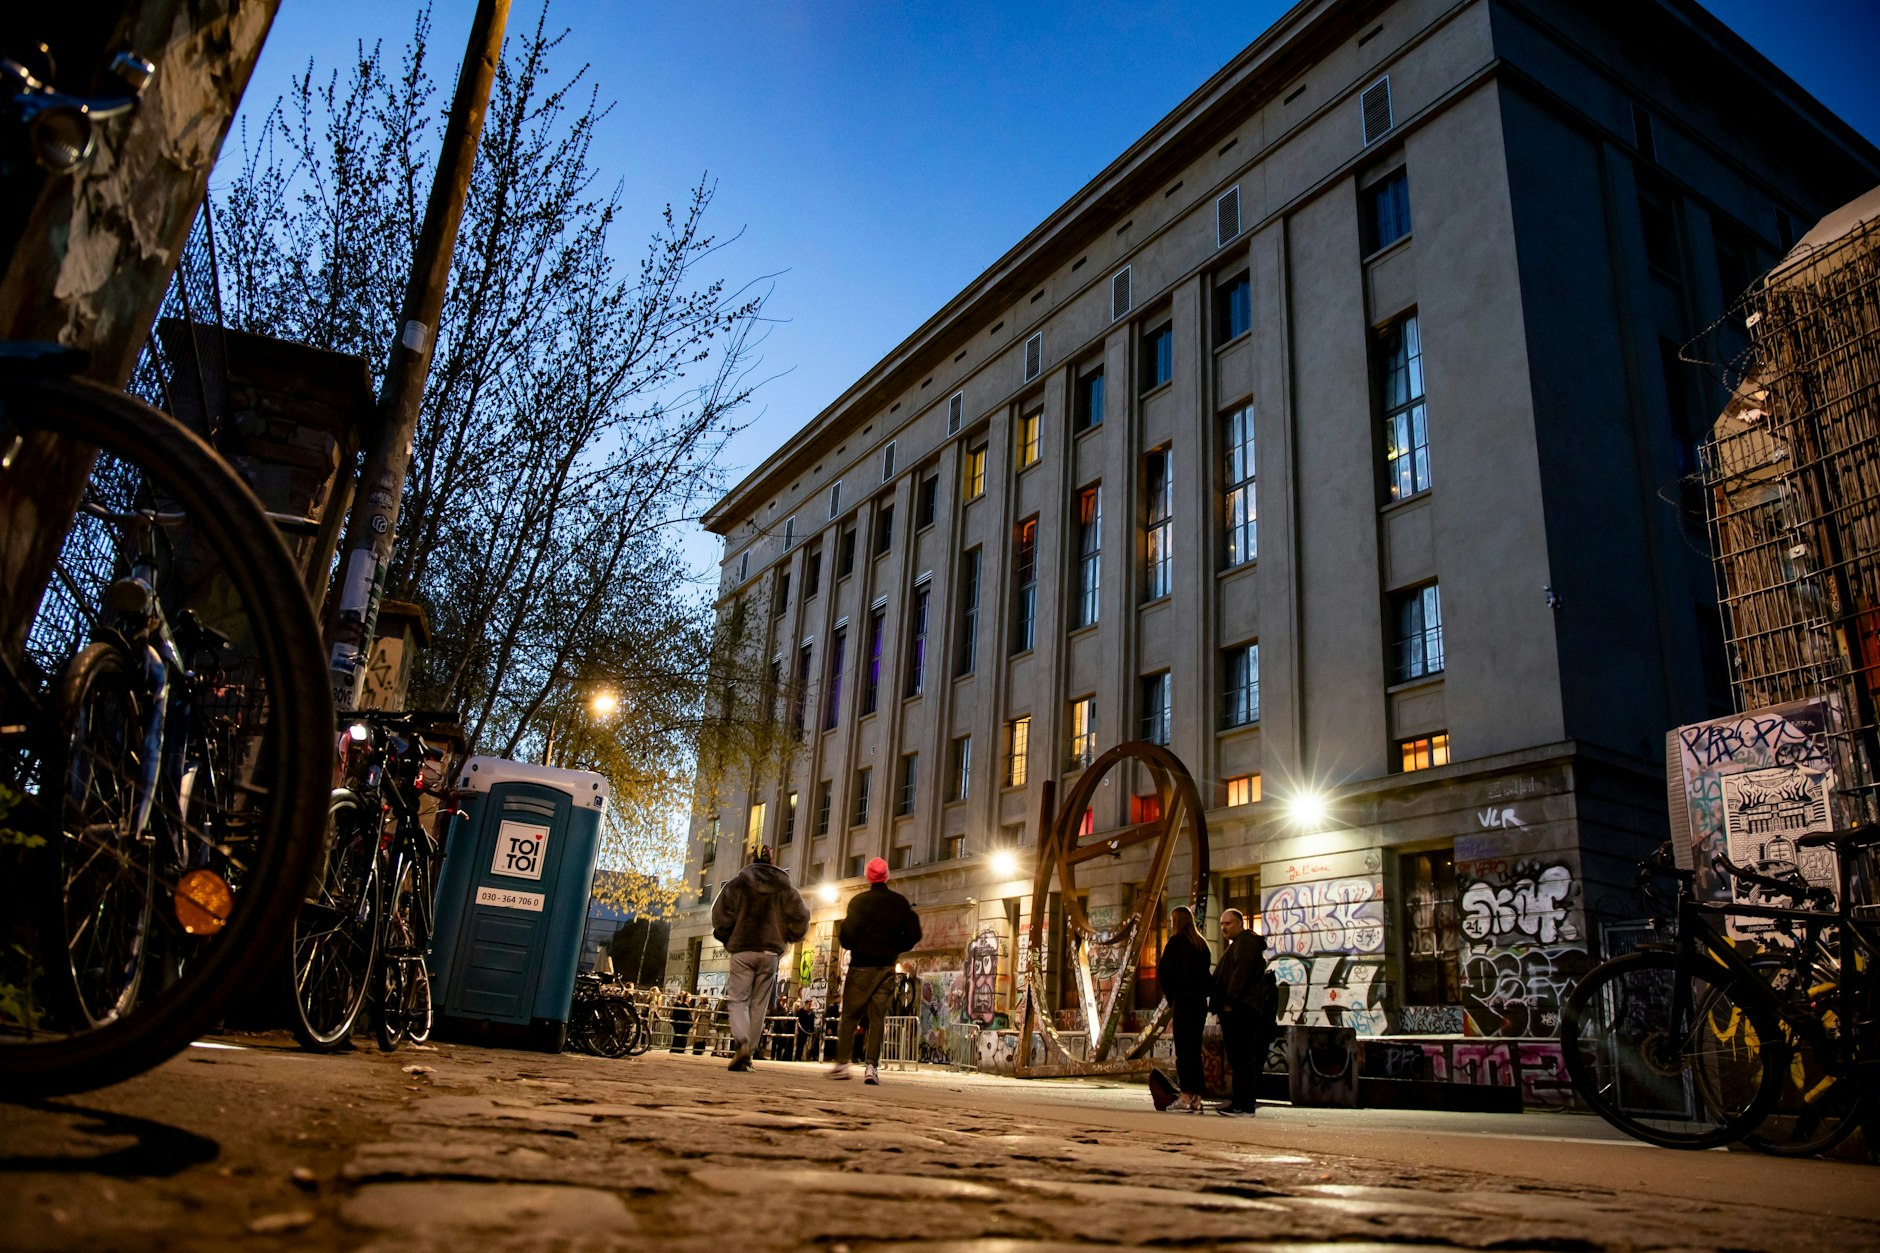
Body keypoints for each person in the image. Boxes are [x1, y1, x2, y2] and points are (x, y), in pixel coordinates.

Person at [711, 844, 811, 1071]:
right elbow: (802, 916)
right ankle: (749, 1053)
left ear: (753, 859)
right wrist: (788, 936)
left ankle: (742, 1043)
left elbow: (719, 914)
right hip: (769, 951)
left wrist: (727, 936)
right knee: (759, 1004)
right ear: (772, 861)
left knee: (738, 999)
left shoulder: (738, 884)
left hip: (742, 949)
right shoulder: (785, 889)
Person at [828, 857, 922, 1084]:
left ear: (869, 877)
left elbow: (847, 936)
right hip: (886, 967)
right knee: (877, 1017)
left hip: (861, 966)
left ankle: (842, 1064)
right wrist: (896, 948)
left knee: (850, 1015)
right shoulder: (899, 903)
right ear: (886, 875)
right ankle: (871, 1067)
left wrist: (858, 945)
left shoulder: (858, 902)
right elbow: (914, 934)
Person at [1210, 907, 1270, 1116]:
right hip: (1239, 1008)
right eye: (1221, 924)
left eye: (1228, 923)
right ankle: (1239, 1103)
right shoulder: (1240, 944)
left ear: (1239, 923)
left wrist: (1229, 1002)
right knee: (1239, 1059)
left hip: (1240, 1010)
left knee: (1242, 1058)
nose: (1223, 928)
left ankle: (1243, 1105)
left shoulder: (1244, 943)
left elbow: (1239, 975)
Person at [1157, 904, 1214, 1113]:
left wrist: (1173, 999)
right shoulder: (1201, 944)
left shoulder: (1175, 943)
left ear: (1176, 922)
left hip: (1183, 1000)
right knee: (1195, 1049)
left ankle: (1185, 1094)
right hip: (1199, 1002)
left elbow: (1165, 974)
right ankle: (1197, 1097)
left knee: (1183, 1049)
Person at [795, 998, 818, 1063]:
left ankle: (808, 1057)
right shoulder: (801, 1012)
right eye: (809, 1004)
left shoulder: (811, 1014)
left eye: (811, 1004)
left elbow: (812, 1023)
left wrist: (811, 1031)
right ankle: (798, 1057)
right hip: (801, 1030)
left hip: (807, 1031)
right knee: (800, 1044)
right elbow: (797, 1021)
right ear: (806, 1004)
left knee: (807, 1044)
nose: (810, 1005)